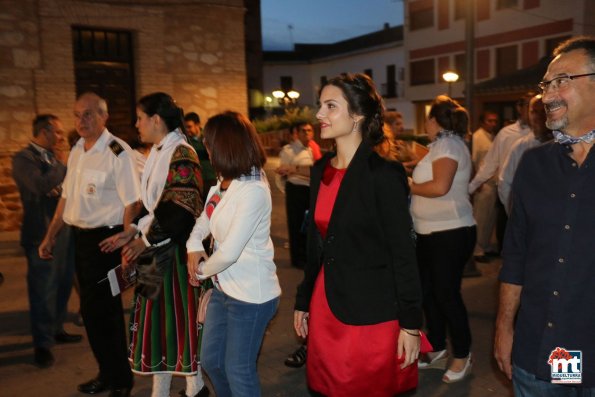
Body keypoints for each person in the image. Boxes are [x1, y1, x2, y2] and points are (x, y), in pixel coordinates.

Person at [294, 73, 424, 397]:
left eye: (331, 106)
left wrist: (410, 324)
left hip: (371, 312)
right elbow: (316, 244)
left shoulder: (383, 174)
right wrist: (302, 299)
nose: (319, 115)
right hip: (325, 305)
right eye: (320, 106)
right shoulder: (319, 170)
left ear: (358, 116)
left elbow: (403, 253)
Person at [495, 35, 595, 395]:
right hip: (550, 353)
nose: (547, 95)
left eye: (562, 81)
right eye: (546, 84)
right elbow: (516, 255)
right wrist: (504, 328)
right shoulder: (534, 164)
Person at [100, 93, 208, 397]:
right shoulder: (159, 153)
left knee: (179, 326)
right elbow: (153, 204)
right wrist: (132, 231)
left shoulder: (182, 153)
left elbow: (181, 210)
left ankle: (194, 389)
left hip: (173, 255)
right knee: (156, 326)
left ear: (156, 120)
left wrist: (143, 239)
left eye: (140, 118)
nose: (137, 125)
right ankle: (159, 391)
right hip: (155, 251)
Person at [39, 92, 141, 397]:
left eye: (88, 114)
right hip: (80, 240)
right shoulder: (77, 150)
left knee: (106, 312)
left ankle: (121, 380)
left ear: (103, 116)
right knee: (91, 312)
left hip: (106, 241)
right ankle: (106, 373)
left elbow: (132, 202)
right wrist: (50, 235)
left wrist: (127, 243)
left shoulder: (117, 152)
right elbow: (67, 199)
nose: (81, 121)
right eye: (77, 115)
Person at [186, 111, 281, 397]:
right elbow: (204, 220)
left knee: (238, 369)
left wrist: (199, 271)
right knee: (213, 362)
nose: (207, 149)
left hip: (252, 296)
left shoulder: (253, 189)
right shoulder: (224, 183)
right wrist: (193, 246)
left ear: (226, 146)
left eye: (210, 144)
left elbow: (228, 253)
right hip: (224, 289)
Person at [410, 95, 476, 383]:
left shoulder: (448, 145)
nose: (424, 124)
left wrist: (408, 184)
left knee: (446, 295)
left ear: (435, 121)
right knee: (428, 293)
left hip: (450, 232)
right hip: (429, 232)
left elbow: (439, 187)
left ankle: (462, 354)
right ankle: (436, 349)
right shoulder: (439, 146)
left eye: (427, 118)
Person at [12, 114, 82, 368]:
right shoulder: (23, 159)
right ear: (44, 132)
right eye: (58, 132)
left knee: (63, 284)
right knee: (42, 290)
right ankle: (42, 344)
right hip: (39, 234)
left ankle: (56, 329)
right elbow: (40, 185)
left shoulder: (51, 157)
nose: (62, 137)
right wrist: (62, 166)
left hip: (63, 231)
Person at [469, 93, 533, 252]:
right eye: (531, 108)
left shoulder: (549, 135)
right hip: (510, 195)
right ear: (520, 108)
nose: (535, 114)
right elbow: (490, 163)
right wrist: (470, 188)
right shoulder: (506, 134)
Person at [498, 95, 553, 214]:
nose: (538, 116)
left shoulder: (564, 144)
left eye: (543, 111)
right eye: (534, 112)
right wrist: (515, 214)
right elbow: (505, 182)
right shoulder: (520, 147)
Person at [276, 122, 315, 269]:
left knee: (307, 224)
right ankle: (297, 259)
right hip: (296, 190)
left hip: (308, 190)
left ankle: (305, 256)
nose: (307, 133)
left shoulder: (310, 149)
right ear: (297, 133)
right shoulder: (288, 150)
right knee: (295, 224)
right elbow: (282, 171)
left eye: (309, 130)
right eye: (303, 131)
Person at [471, 111, 500, 263]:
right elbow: (473, 161)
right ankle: (477, 250)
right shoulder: (477, 137)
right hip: (483, 183)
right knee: (480, 217)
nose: (493, 124)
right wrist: (476, 183)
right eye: (489, 121)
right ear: (482, 122)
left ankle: (486, 245)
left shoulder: (492, 137)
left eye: (495, 121)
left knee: (490, 218)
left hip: (494, 183)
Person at [185, 112, 217, 199]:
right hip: (197, 182)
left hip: (212, 179)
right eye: (186, 127)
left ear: (197, 125)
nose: (187, 130)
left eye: (189, 126)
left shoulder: (209, 137)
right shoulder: (187, 142)